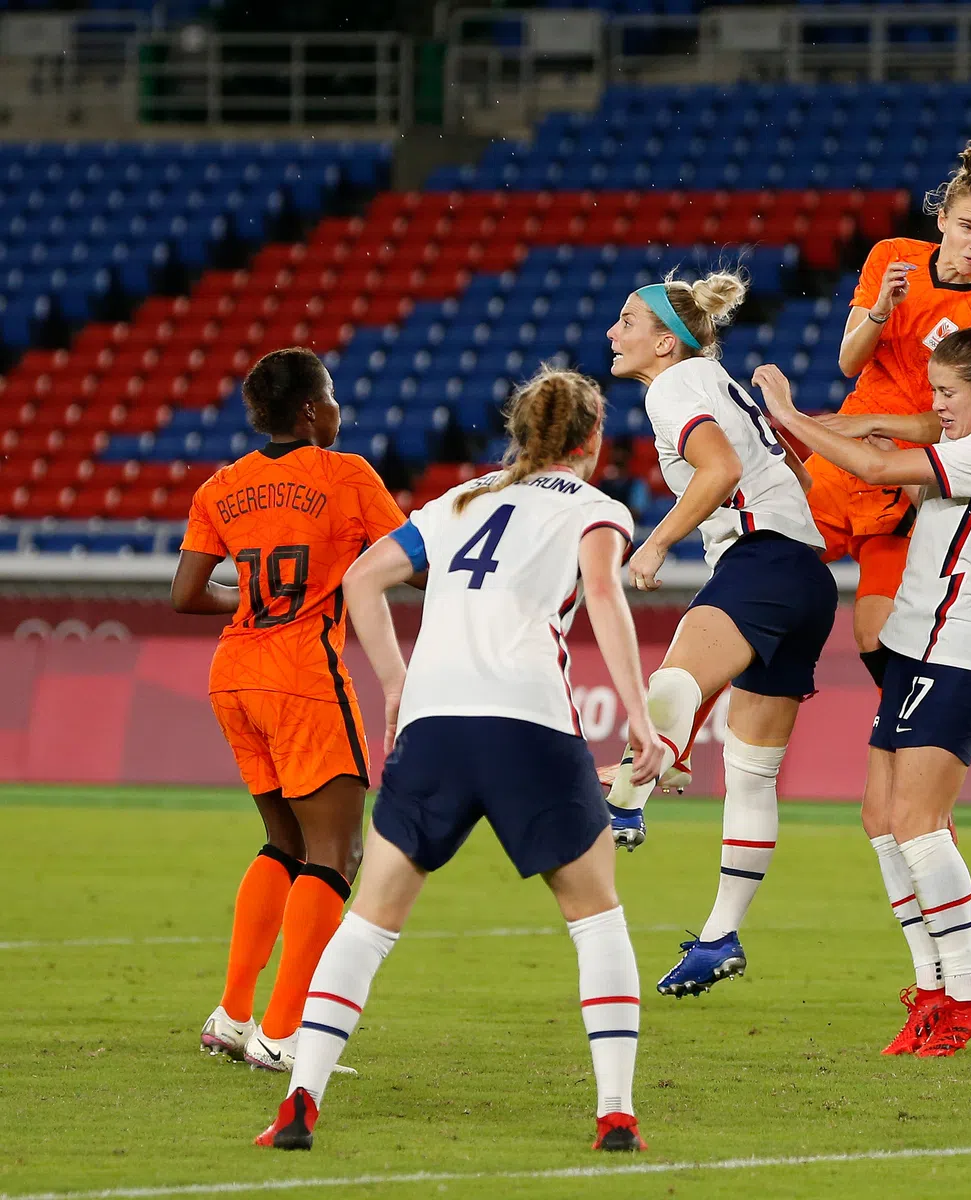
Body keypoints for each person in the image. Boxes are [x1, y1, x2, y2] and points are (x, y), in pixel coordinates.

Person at [254, 366, 663, 1153]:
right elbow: (606, 598)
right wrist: (641, 722)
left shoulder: (459, 500)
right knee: (596, 917)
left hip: (436, 723)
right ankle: (615, 1112)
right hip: (528, 724)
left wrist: (395, 683)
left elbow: (362, 579)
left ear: (520, 433)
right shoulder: (597, 509)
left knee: (369, 923)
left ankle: (301, 1097)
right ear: (590, 441)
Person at [754, 304, 971, 1058]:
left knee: (917, 821)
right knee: (881, 818)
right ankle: (931, 988)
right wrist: (795, 425)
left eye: (946, 393)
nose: (935, 404)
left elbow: (878, 464)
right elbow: (889, 431)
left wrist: (784, 413)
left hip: (963, 653)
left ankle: (967, 995)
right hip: (920, 645)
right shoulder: (965, 432)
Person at [599, 270, 837, 999]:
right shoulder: (715, 380)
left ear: (664, 343)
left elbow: (722, 468)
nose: (614, 331)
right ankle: (718, 936)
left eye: (629, 320)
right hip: (808, 577)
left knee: (672, 684)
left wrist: (655, 542)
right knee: (753, 774)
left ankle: (628, 800)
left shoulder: (671, 388)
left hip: (761, 563)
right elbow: (787, 468)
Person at [173, 346, 405, 1074]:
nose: (337, 410)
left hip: (235, 675)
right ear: (309, 410)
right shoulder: (345, 474)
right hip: (304, 676)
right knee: (339, 856)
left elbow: (183, 595)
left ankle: (233, 1015)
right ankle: (280, 1033)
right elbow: (407, 556)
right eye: (331, 396)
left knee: (285, 843)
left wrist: (249, 597)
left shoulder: (224, 485)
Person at [816, 125, 971, 686]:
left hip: (911, 475)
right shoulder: (891, 258)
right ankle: (676, 747)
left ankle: (907, 742)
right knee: (765, 568)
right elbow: (848, 363)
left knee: (874, 633)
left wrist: (877, 425)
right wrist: (881, 306)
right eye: (967, 227)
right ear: (942, 221)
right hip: (844, 459)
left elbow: (959, 421)